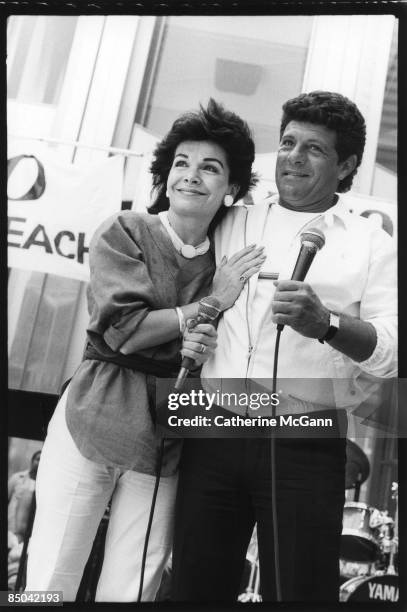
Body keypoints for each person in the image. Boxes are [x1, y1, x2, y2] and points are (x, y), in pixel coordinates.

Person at [25, 99, 264, 602]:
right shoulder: (126, 230)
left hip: (166, 439)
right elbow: (123, 330)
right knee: (50, 579)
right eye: (181, 163)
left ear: (232, 191)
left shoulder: (229, 258)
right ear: (166, 175)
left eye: (210, 168)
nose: (191, 176)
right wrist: (210, 304)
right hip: (92, 417)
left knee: (134, 588)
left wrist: (198, 343)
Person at [171, 91, 397, 602]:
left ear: (347, 166)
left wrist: (328, 324)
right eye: (288, 142)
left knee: (297, 591)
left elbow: (392, 351)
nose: (293, 157)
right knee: (194, 586)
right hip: (215, 430)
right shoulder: (231, 221)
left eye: (313, 149)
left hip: (306, 440)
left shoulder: (371, 243)